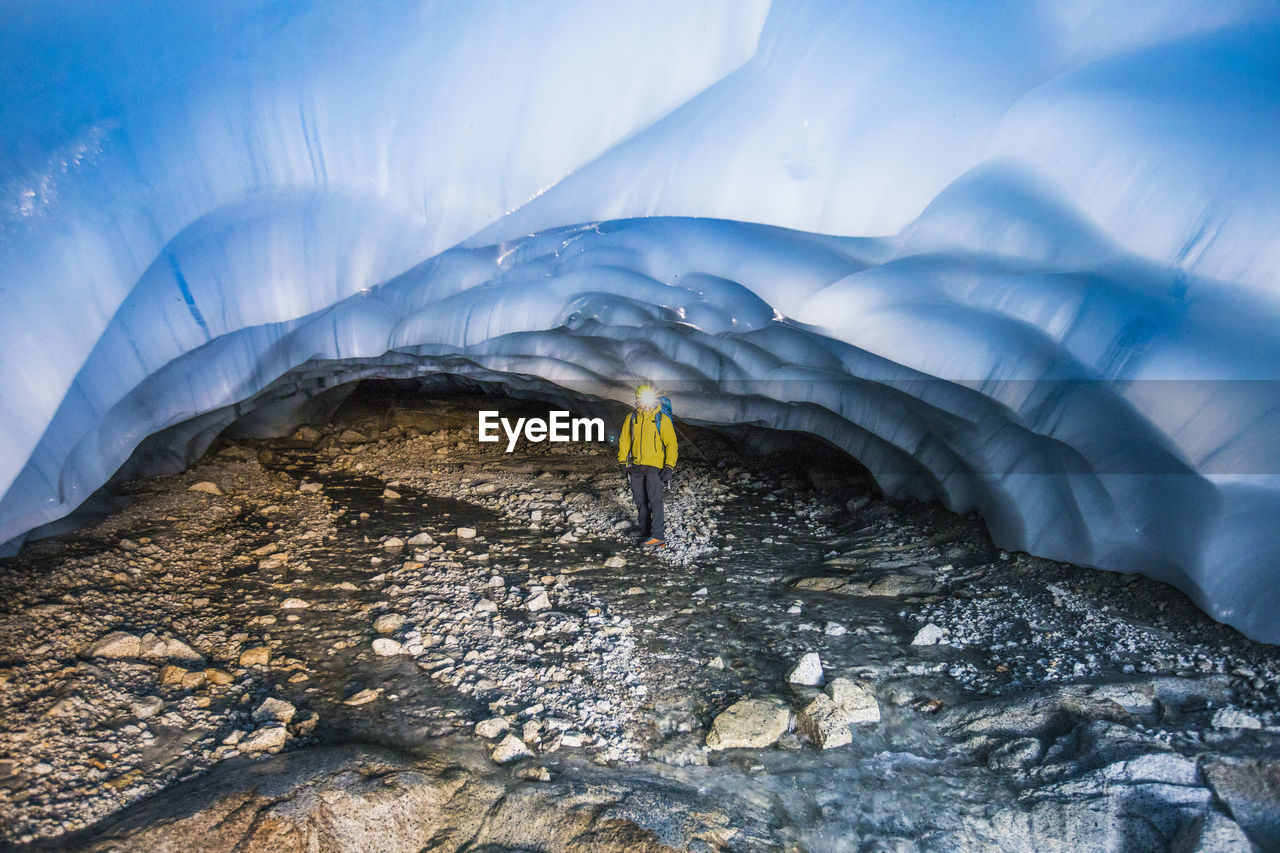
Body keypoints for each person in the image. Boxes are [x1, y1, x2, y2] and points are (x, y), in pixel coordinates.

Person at [617, 384, 677, 546]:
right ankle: (645, 532)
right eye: (641, 400)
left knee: (654, 500)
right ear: (637, 400)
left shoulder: (661, 419)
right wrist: (623, 461)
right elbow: (625, 440)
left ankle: (658, 536)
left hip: (654, 466)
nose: (645, 404)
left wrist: (669, 466)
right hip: (636, 464)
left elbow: (671, 443)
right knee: (640, 500)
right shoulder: (632, 418)